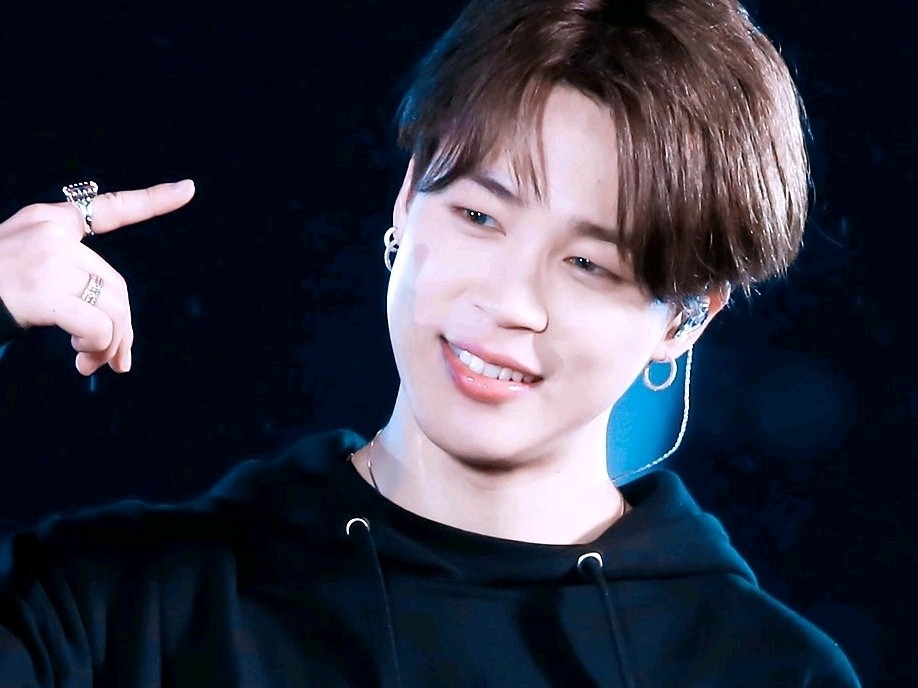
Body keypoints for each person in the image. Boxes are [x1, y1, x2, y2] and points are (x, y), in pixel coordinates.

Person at [0, 0, 862, 685]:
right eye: (480, 216)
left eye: (589, 264)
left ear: (687, 318)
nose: (508, 301)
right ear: (408, 197)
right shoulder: (117, 609)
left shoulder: (767, 670)